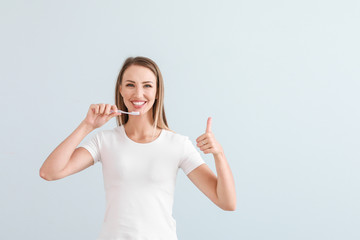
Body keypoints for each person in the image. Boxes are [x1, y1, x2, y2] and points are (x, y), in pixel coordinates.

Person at [39, 56, 236, 240]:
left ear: (157, 92)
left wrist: (219, 154)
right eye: (130, 85)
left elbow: (227, 202)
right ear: (121, 90)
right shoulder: (105, 141)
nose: (138, 94)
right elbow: (49, 172)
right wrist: (87, 126)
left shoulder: (177, 144)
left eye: (147, 86)